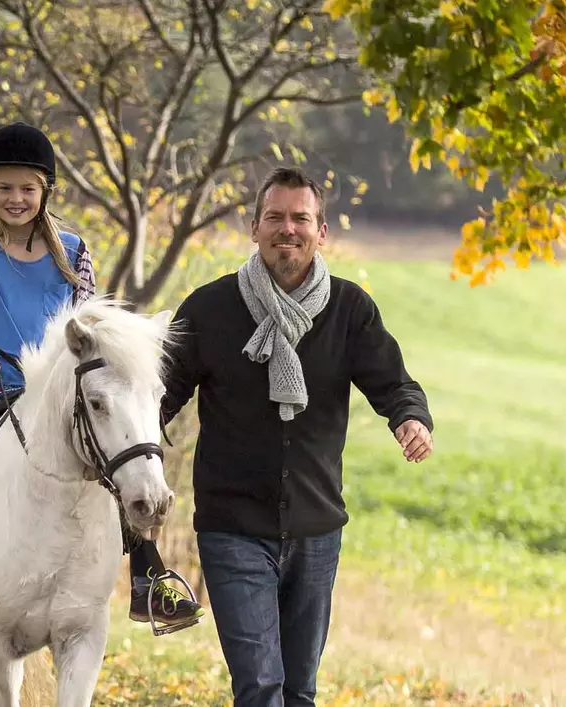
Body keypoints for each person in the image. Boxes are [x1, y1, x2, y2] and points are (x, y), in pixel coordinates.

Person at [0, 122, 204, 633]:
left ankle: (147, 577)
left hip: (56, 400)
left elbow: (88, 326)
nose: (16, 199)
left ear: (45, 190)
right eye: (5, 188)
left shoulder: (74, 251)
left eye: (27, 188)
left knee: (124, 463)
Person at [160, 166, 434, 706]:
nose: (289, 229)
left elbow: (394, 383)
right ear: (255, 227)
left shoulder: (350, 309)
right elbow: (158, 393)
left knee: (300, 692)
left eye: (301, 218)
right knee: (261, 686)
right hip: (232, 527)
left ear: (321, 231)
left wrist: (410, 418)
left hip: (316, 530)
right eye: (275, 217)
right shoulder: (210, 309)